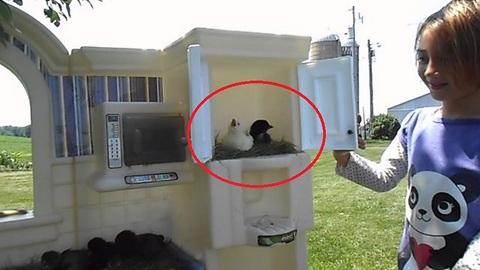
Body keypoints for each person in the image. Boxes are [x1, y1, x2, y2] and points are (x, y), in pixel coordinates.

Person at [333, 0, 480, 269]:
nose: (430, 70)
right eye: (423, 57)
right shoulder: (415, 123)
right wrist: (345, 158)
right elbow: (385, 178)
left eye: (447, 57)